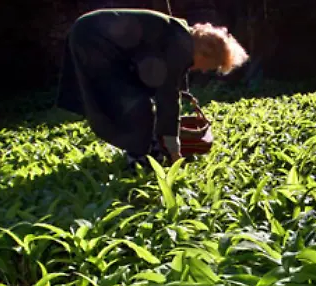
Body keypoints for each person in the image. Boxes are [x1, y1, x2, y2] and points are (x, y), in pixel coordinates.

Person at [55, 8, 249, 170]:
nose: (204, 70)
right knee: (135, 104)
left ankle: (146, 149)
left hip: (89, 33)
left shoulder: (180, 36)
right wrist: (174, 150)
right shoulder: (180, 46)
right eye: (210, 65)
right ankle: (139, 159)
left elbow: (166, 79)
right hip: (91, 39)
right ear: (205, 52)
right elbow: (168, 97)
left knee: (137, 99)